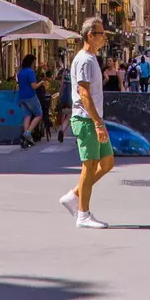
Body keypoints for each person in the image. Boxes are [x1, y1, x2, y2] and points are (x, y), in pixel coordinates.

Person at [61, 18, 115, 229]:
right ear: (90, 36)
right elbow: (83, 93)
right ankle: (83, 214)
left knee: (107, 162)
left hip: (94, 119)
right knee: (89, 165)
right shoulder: (84, 60)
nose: (105, 37)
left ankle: (74, 196)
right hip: (86, 119)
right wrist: (97, 123)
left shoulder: (92, 58)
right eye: (101, 33)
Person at [16, 52, 43, 148]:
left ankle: (26, 139)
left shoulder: (20, 72)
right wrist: (41, 82)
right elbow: (34, 86)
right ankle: (28, 133)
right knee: (39, 114)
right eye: (34, 62)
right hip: (30, 96)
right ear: (31, 62)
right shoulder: (30, 72)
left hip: (21, 97)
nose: (35, 65)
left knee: (27, 116)